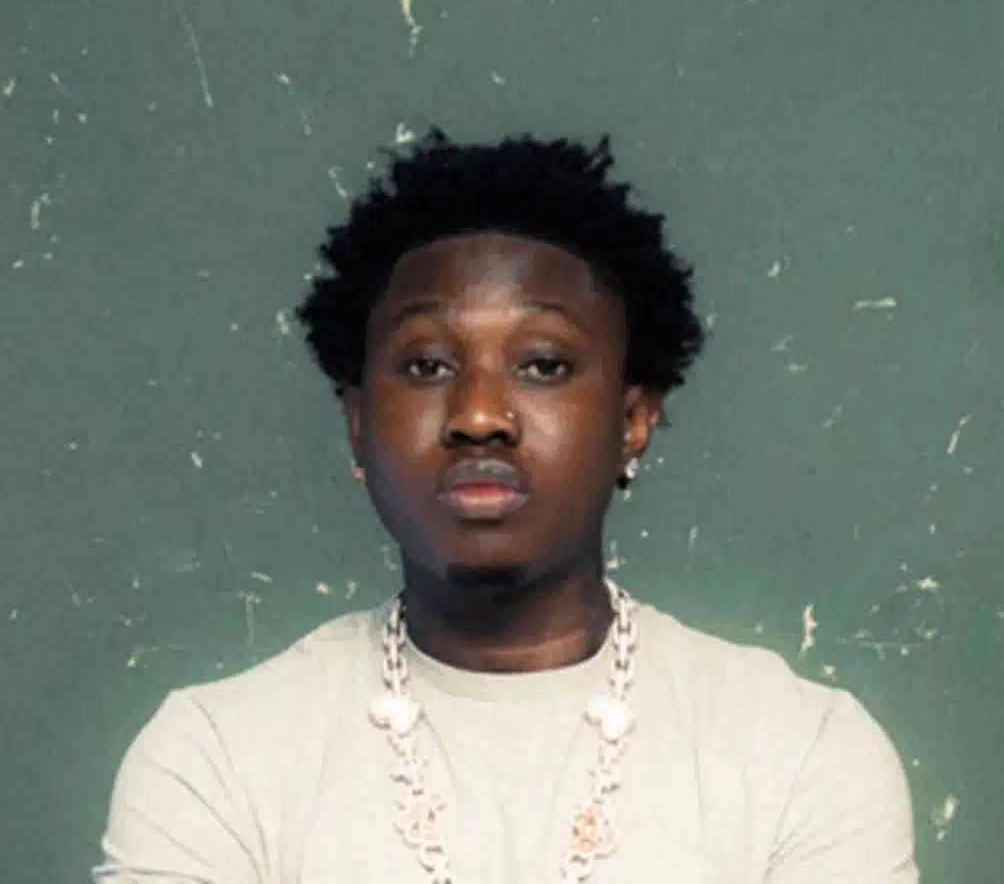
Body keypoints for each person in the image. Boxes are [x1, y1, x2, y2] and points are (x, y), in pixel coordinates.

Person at [93, 129, 919, 883]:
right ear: (358, 423)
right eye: (426, 366)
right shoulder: (216, 759)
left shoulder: (802, 754)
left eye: (544, 365)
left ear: (633, 420)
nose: (479, 414)